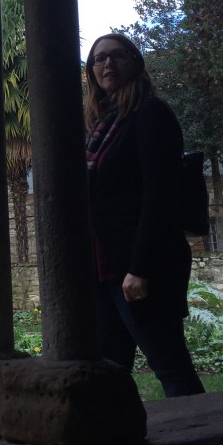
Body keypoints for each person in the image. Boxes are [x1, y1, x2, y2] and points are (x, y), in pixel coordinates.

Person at [84, 33, 204, 397]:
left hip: (140, 268)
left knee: (171, 368)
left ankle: (203, 444)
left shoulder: (150, 114)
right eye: (99, 59)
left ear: (135, 62)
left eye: (118, 56)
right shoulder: (102, 125)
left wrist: (141, 268)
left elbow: (159, 195)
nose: (108, 64)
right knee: (109, 369)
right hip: (105, 269)